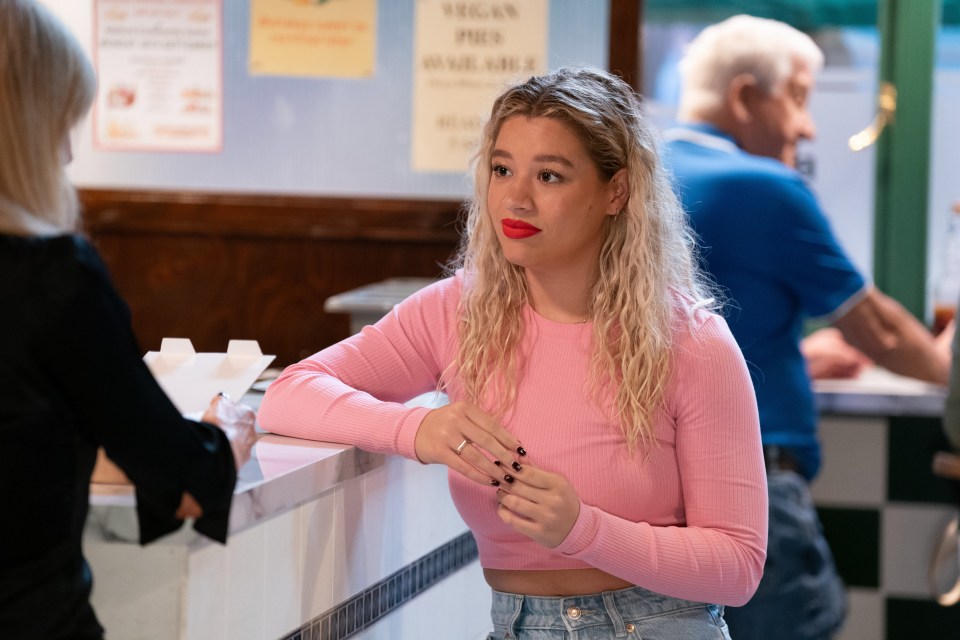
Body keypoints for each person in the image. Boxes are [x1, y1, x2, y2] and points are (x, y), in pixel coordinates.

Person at [259, 66, 766, 638]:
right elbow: (287, 395)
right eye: (502, 169)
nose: (516, 198)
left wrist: (584, 529)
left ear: (616, 192)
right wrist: (418, 431)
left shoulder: (691, 341)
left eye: (550, 176)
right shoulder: (455, 311)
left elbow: (738, 567)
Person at [662, 14, 954, 640]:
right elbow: (885, 335)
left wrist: (788, 355)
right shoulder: (764, 186)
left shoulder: (633, 178)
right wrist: (948, 371)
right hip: (745, 489)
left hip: (647, 499)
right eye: (797, 98)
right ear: (744, 96)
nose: (808, 125)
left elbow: (681, 335)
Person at [0, 2, 257, 638]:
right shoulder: (53, 278)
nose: (64, 156)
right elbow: (184, 483)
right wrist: (226, 430)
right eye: (62, 125)